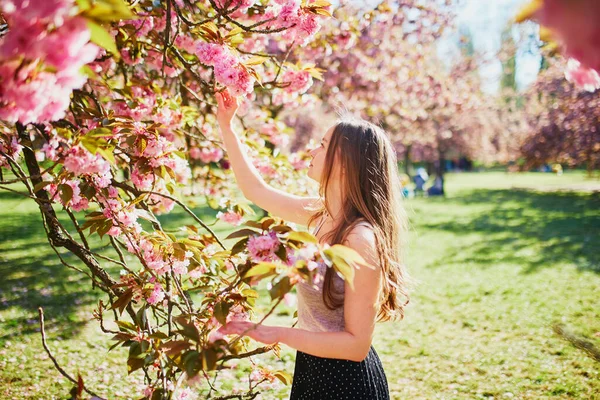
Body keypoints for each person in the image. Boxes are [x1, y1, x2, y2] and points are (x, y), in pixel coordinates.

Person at [214, 90, 410, 399]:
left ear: (345, 163)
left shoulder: (359, 239)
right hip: (311, 368)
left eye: (322, 146)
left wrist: (275, 333)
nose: (311, 151)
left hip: (346, 382)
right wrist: (227, 125)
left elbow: (357, 346)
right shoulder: (322, 214)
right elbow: (256, 191)